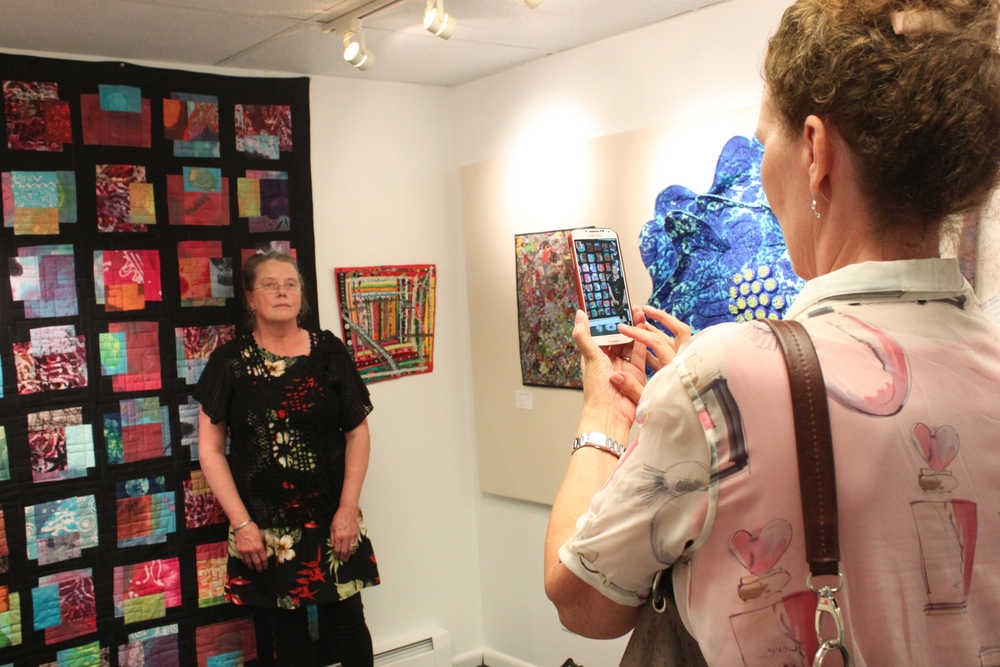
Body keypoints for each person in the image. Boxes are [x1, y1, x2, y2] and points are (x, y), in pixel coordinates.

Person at [544, 1, 1000, 665]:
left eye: (765, 142)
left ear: (815, 151)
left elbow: (581, 600)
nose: (764, 165)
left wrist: (604, 412)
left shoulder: (719, 380)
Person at [195, 251, 379, 666]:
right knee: (288, 640)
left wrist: (348, 510)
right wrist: (242, 524)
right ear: (250, 298)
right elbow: (209, 450)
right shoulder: (229, 362)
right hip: (263, 529)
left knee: (350, 627)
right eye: (269, 284)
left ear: (302, 295)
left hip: (333, 520)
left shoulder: (329, 353)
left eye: (291, 283)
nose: (282, 291)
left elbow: (358, 431)